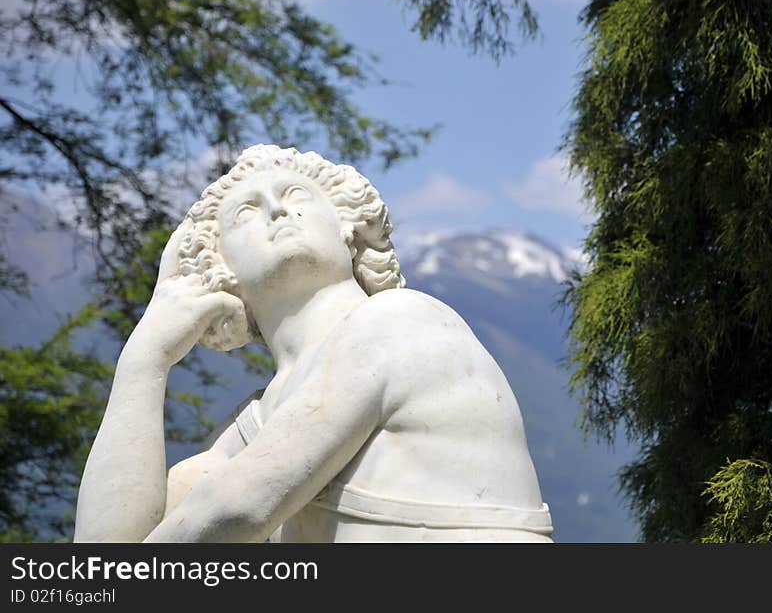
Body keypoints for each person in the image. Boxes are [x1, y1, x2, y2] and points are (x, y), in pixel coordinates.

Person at [73, 144, 553, 542]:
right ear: (223, 267)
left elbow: (235, 511)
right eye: (246, 212)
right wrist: (144, 358)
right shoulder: (251, 427)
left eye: (295, 193)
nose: (278, 209)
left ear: (347, 226)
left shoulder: (401, 320)